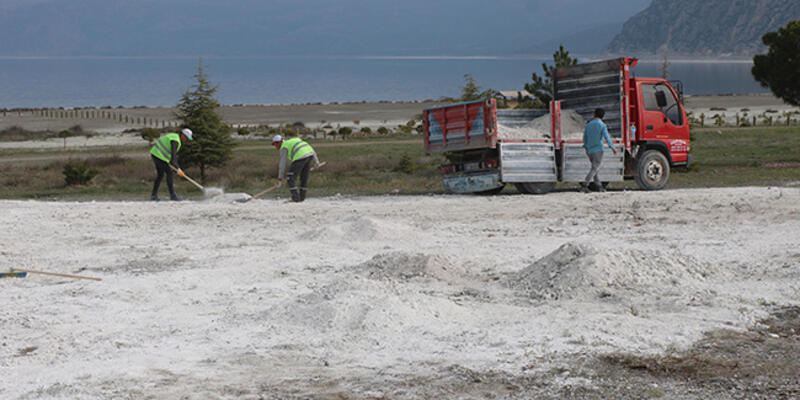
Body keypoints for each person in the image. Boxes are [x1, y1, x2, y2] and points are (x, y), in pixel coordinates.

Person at [271, 135, 320, 202]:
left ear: (279, 142)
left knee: (290, 177)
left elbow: (282, 164)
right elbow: (308, 147)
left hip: (300, 157)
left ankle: (295, 198)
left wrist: (280, 179)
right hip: (309, 156)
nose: (275, 146)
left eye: (275, 144)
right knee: (304, 177)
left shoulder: (284, 147)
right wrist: (316, 161)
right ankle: (302, 198)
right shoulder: (294, 140)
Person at [150, 128, 193, 201]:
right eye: (186, 138)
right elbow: (173, 159)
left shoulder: (174, 137)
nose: (186, 140)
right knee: (169, 173)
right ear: (182, 135)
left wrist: (177, 167)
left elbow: (171, 158)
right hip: (159, 156)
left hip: (155, 154)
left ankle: (153, 196)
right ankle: (172, 195)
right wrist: (178, 169)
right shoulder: (175, 141)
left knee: (160, 175)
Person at [581, 108, 617, 193]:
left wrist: (586, 148)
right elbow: (607, 137)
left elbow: (585, 137)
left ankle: (599, 186)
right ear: (603, 116)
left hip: (590, 150)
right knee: (595, 168)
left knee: (595, 168)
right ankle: (585, 185)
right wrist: (612, 147)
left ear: (594, 114)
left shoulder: (588, 125)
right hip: (598, 150)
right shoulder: (602, 125)